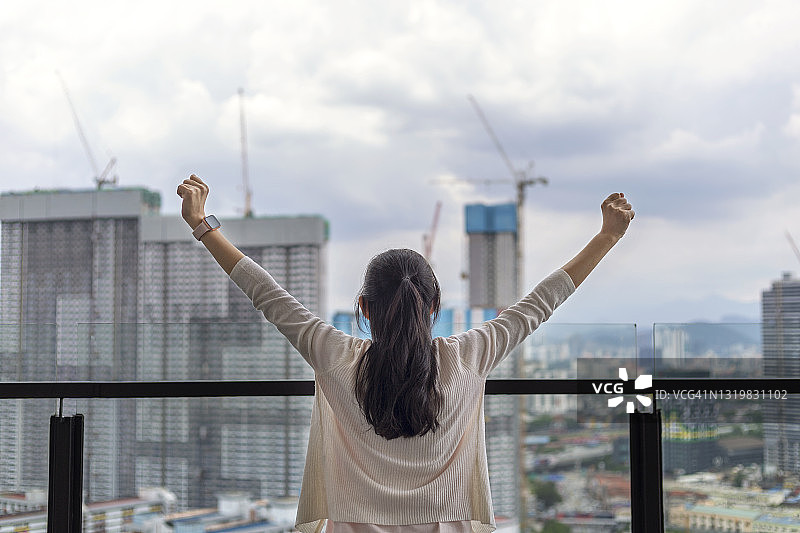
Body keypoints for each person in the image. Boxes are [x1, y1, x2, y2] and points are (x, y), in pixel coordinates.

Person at [177, 174, 634, 533]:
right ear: (434, 307)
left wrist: (202, 223)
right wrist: (608, 237)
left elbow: (267, 293)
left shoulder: (336, 356)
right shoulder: (469, 356)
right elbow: (539, 304)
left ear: (363, 308)